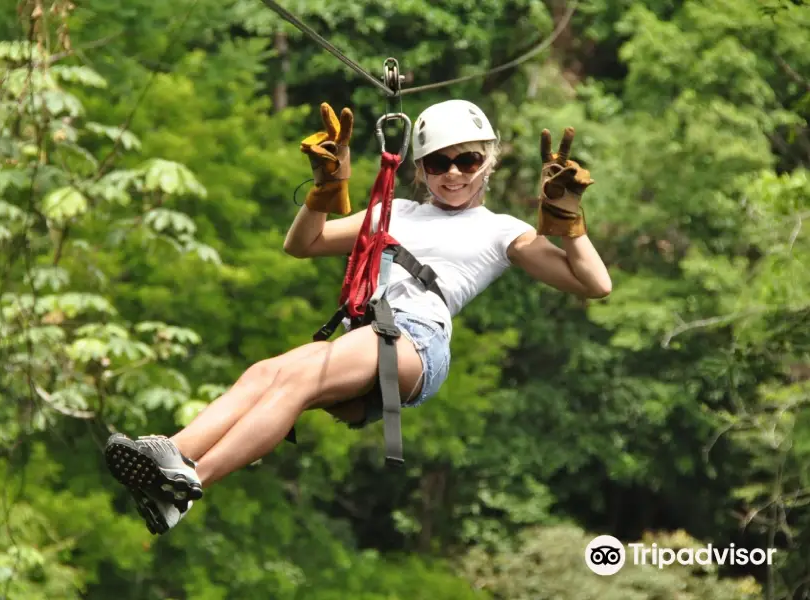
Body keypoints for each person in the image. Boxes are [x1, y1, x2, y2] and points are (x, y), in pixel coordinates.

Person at [103, 99, 612, 535]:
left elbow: (595, 284)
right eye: (438, 163)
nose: (453, 173)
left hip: (416, 339)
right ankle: (171, 458)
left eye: (467, 160)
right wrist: (325, 188)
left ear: (488, 163)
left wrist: (567, 219)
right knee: (266, 373)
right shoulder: (395, 213)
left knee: (300, 377)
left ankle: (192, 481)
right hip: (368, 333)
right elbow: (303, 243)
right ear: (420, 169)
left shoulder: (503, 231)